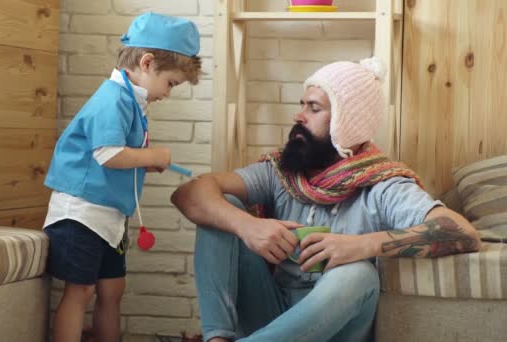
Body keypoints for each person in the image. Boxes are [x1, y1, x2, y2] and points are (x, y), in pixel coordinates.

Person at [171, 57, 480, 342]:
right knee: (220, 213)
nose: (299, 116)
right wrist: (247, 226)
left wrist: (360, 246)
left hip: (336, 328)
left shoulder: (383, 185)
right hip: (268, 315)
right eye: (302, 105)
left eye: (314, 108)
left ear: (345, 124)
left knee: (357, 272)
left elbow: (460, 231)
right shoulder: (282, 173)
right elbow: (190, 193)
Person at [43, 12, 201, 342]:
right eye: (170, 83)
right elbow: (107, 154)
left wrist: (143, 162)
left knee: (112, 290)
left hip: (108, 215)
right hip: (81, 214)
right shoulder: (112, 99)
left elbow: (115, 155)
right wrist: (152, 156)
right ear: (146, 63)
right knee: (81, 291)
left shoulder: (131, 101)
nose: (168, 93)